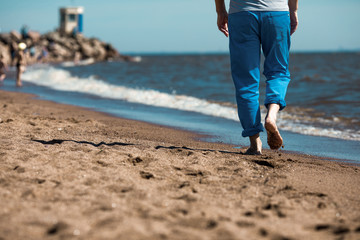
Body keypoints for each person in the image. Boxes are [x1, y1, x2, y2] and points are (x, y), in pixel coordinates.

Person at [215, 0, 298, 155]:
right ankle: (272, 116)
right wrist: (293, 10)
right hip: (277, 12)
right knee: (278, 71)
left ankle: (255, 143)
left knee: (246, 80)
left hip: (242, 14)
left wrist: (220, 11)